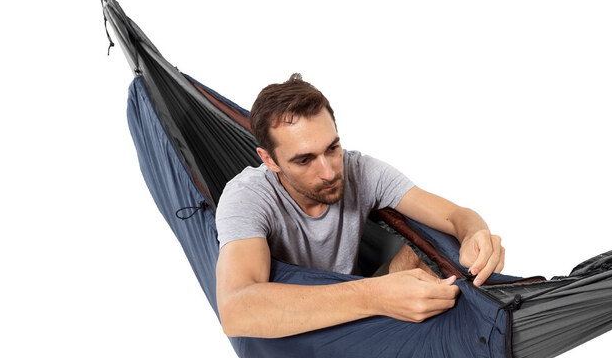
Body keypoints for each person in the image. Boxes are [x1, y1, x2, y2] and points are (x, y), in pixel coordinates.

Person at [215, 73, 505, 338]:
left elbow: (454, 216)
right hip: (296, 327)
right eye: (305, 160)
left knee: (432, 245)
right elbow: (236, 310)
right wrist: (374, 296)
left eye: (332, 148)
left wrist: (475, 234)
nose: (329, 172)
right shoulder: (247, 196)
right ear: (269, 160)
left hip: (362, 301)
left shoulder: (360, 170)